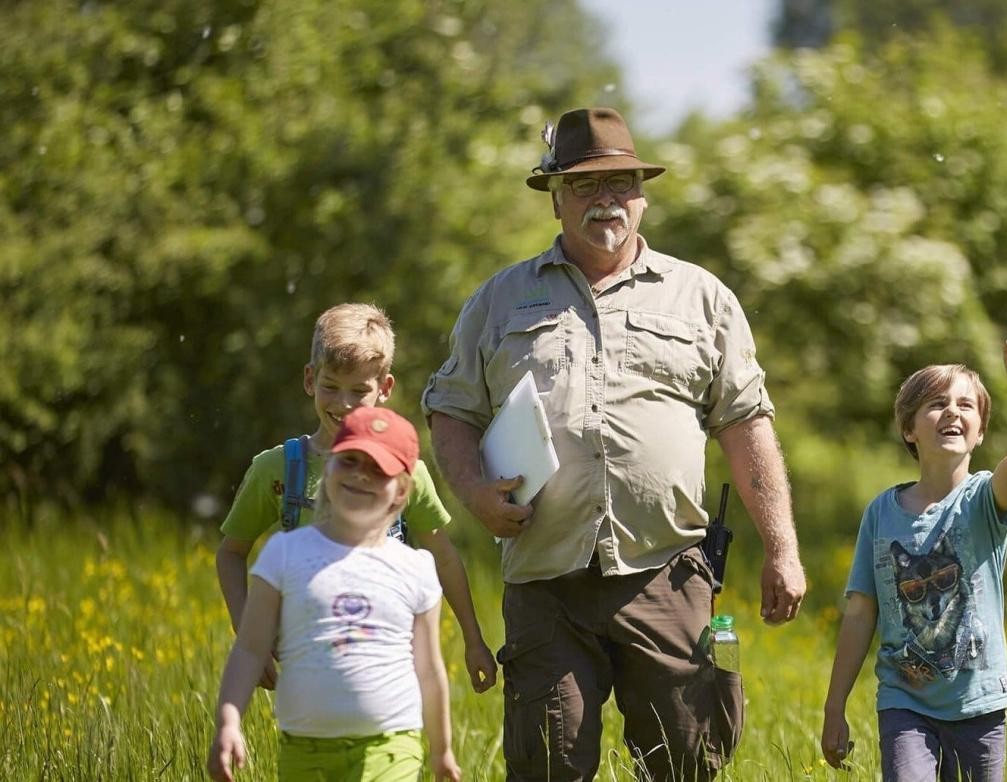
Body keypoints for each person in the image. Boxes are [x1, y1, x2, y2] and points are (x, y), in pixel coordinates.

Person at [421, 107, 806, 781]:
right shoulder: (499, 299)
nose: (607, 200)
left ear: (643, 195)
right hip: (545, 580)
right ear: (555, 198)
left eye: (622, 183)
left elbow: (747, 424)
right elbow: (451, 410)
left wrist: (782, 549)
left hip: (666, 573)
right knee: (546, 762)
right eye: (584, 186)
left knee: (686, 763)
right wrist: (476, 494)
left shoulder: (701, 297)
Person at [214, 303, 496, 694]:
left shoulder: (405, 471)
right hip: (305, 669)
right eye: (331, 386)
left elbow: (442, 556)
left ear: (385, 388)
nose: (343, 404)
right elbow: (231, 553)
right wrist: (250, 638)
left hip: (389, 670)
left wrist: (473, 639)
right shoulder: (277, 470)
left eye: (359, 390)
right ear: (310, 379)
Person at [821, 331, 1007, 782]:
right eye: (937, 403)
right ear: (909, 428)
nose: (953, 412)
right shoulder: (881, 514)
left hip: (978, 702)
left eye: (966, 405)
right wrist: (834, 705)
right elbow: (861, 612)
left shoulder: (983, 500)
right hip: (905, 701)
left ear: (980, 431)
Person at [206, 406, 461, 781]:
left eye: (378, 469)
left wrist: (442, 752)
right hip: (304, 750)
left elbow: (429, 670)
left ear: (402, 490)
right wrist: (228, 721)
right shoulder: (284, 553)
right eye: (349, 461)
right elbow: (249, 648)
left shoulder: (416, 568)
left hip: (391, 747)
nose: (361, 474)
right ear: (327, 468)